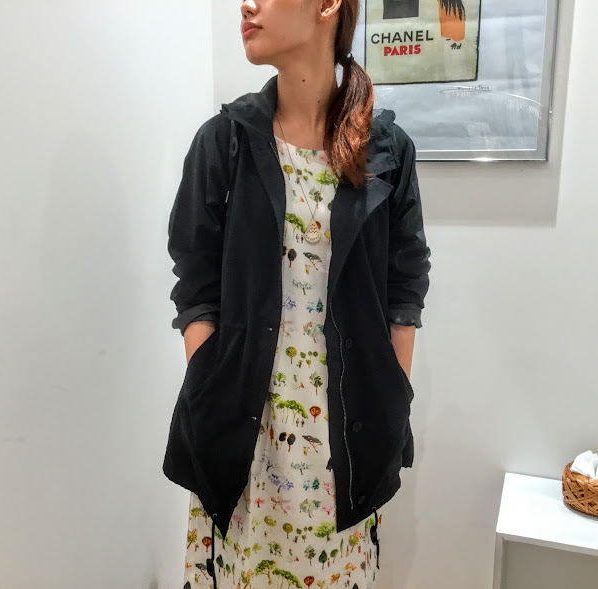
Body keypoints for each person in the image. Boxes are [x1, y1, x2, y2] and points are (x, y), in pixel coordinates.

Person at [165, 1, 431, 587]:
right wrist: (210, 385)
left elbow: (405, 287)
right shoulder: (225, 143)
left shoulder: (386, 151)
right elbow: (195, 277)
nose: (246, 4)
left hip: (346, 443)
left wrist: (389, 395)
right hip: (243, 442)